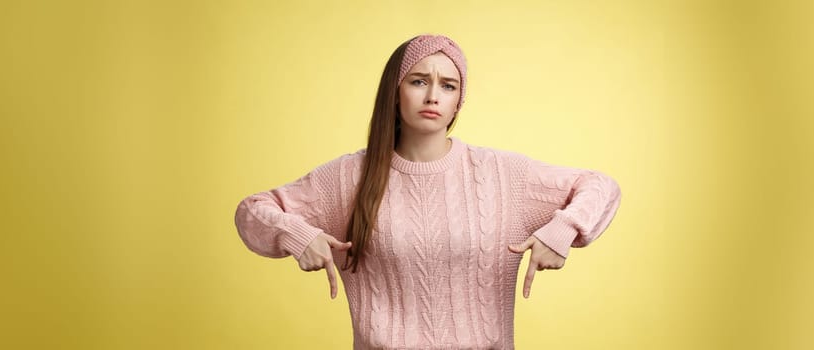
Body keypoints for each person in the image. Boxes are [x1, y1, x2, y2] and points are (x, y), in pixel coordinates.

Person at [233, 34, 622, 349]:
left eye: (448, 85)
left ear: (457, 103)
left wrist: (564, 229)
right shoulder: (349, 177)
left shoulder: (501, 174)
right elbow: (252, 211)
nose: (433, 95)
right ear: (395, 91)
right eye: (419, 81)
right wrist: (298, 235)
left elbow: (600, 186)